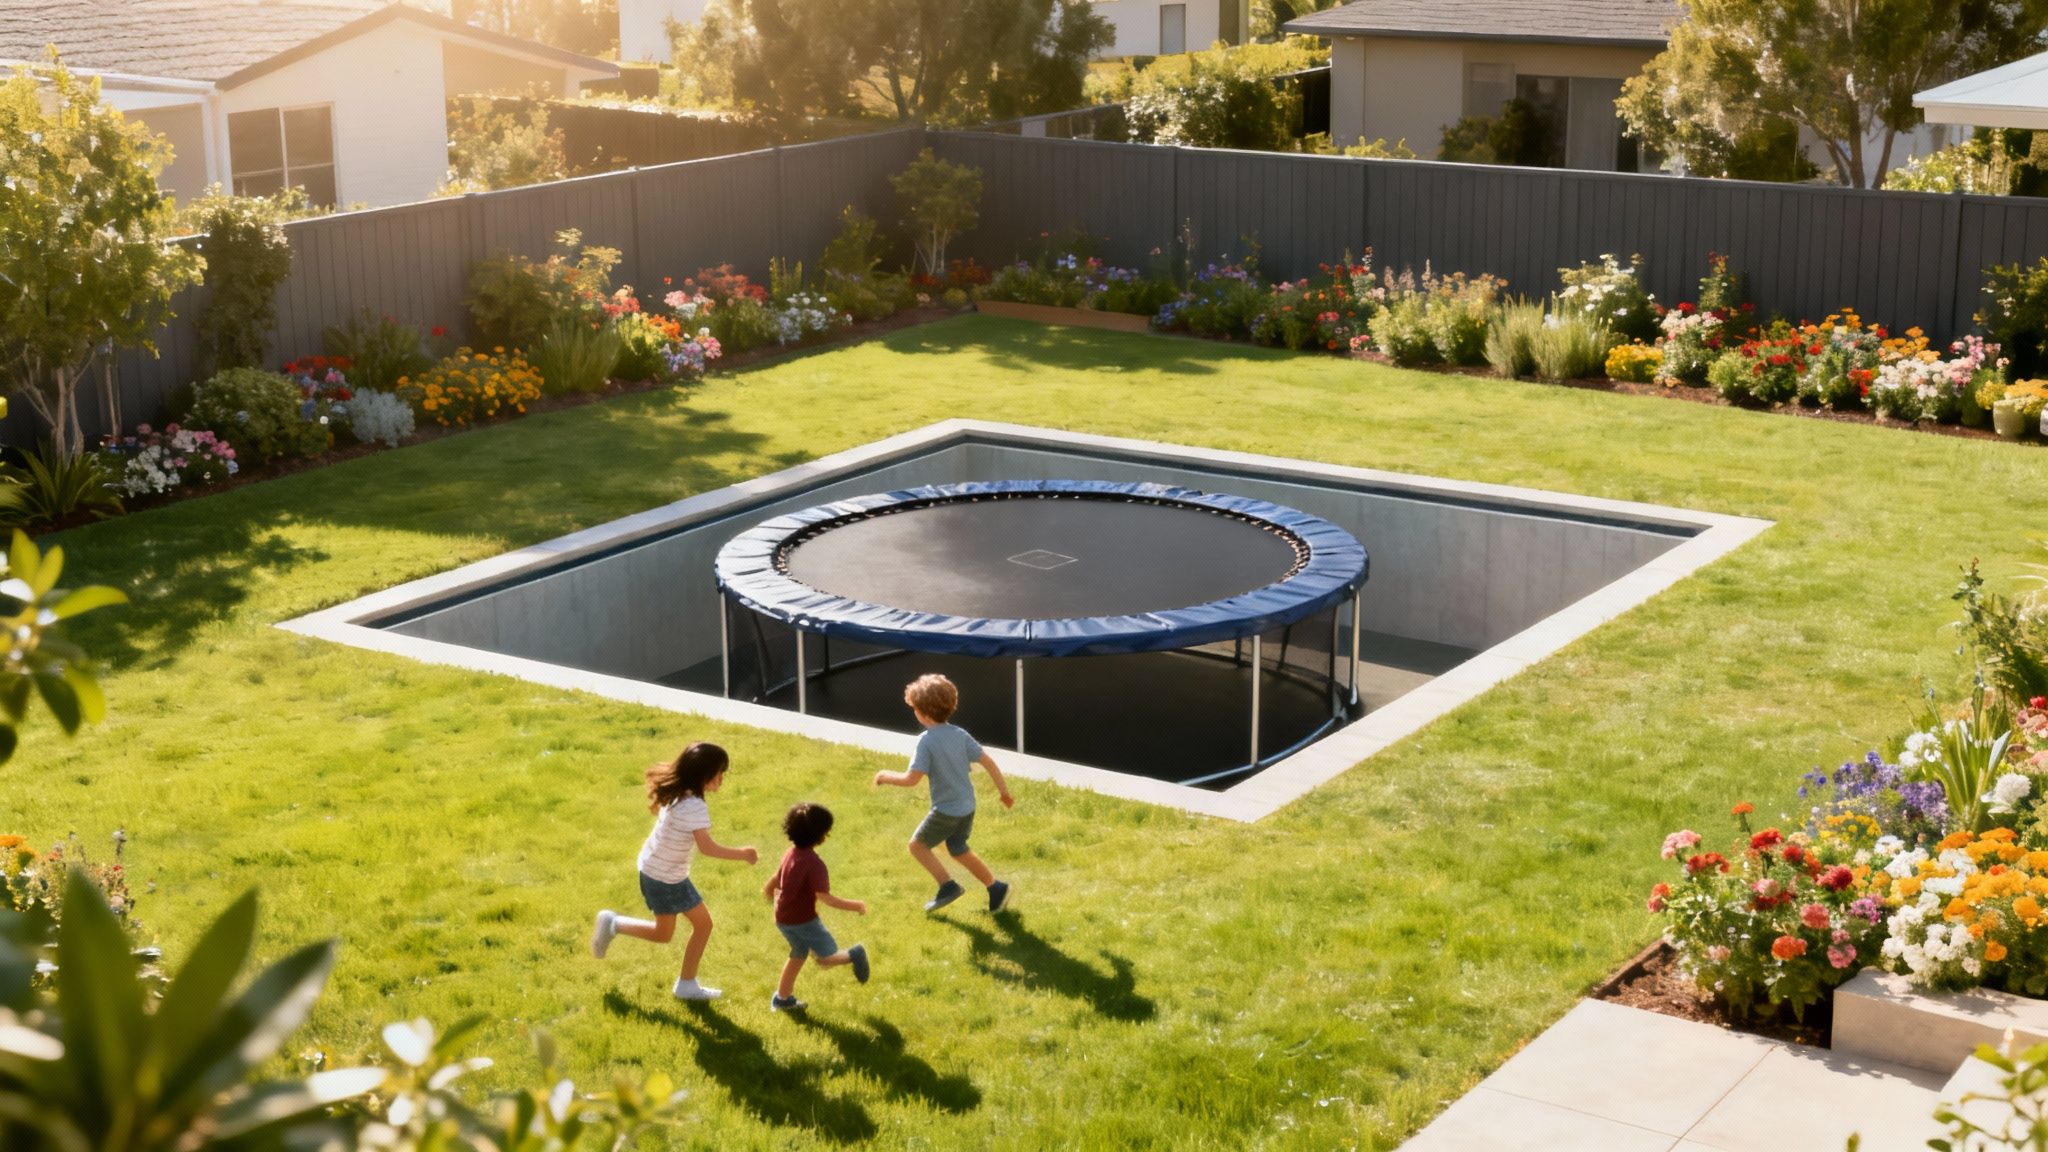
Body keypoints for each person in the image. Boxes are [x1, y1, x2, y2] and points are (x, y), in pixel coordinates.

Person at [590, 741, 758, 1001]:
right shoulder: (693, 805)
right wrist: (743, 854)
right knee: (672, 932)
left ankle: (685, 982)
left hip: (660, 870)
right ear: (703, 775)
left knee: (694, 927)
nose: (722, 778)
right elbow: (707, 848)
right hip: (664, 877)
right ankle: (614, 925)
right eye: (719, 773)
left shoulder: (681, 792)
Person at [873, 673, 1016, 913]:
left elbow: (912, 779)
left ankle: (947, 886)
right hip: (967, 807)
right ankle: (996, 888)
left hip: (947, 810)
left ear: (922, 713)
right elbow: (988, 762)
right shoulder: (960, 735)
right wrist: (1004, 792)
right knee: (958, 849)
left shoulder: (926, 741)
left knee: (917, 845)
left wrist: (885, 776)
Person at [764, 802, 869, 1012]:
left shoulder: (789, 853)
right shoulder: (814, 864)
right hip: (803, 921)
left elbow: (777, 878)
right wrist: (855, 905)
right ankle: (854, 955)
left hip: (783, 919)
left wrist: (767, 891)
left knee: (798, 954)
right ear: (821, 836)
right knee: (825, 959)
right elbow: (825, 897)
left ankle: (782, 999)